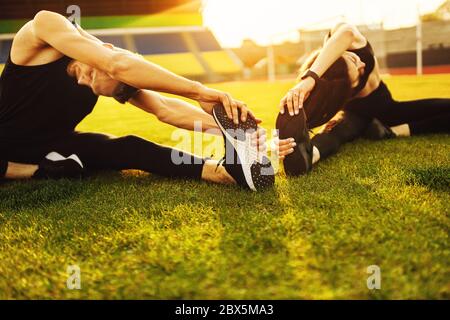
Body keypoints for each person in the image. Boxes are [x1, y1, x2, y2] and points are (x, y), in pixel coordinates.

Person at [0, 10, 274, 191]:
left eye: (95, 86)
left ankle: (221, 171)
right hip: (6, 144)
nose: (84, 82)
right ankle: (39, 172)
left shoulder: (116, 76)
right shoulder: (46, 25)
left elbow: (165, 109)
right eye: (93, 73)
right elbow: (117, 64)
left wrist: (228, 128)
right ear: (104, 49)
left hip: (54, 145)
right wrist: (199, 91)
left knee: (130, 147)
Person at [276, 23, 450, 176]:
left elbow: (347, 32)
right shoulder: (334, 91)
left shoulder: (337, 42)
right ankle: (310, 155)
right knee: (337, 133)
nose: (362, 65)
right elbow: (307, 119)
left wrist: (309, 79)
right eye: (357, 75)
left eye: (353, 59)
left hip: (387, 109)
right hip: (356, 115)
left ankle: (393, 131)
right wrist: (281, 144)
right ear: (344, 91)